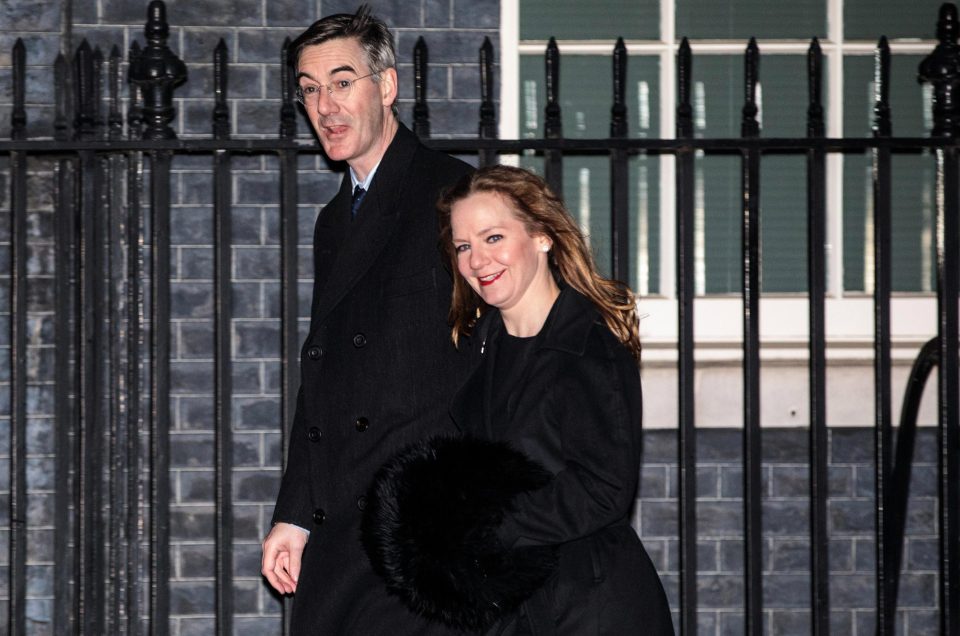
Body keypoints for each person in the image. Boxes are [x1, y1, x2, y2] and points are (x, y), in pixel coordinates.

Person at [260, 5, 473, 633]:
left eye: (342, 82)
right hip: (341, 523)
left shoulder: (452, 193)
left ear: (386, 86)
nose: (324, 106)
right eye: (309, 90)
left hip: (416, 531)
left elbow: (502, 348)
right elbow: (325, 373)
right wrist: (295, 514)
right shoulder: (335, 220)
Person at [429, 165, 673, 634]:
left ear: (542, 237)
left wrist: (484, 529)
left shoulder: (587, 345)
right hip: (516, 604)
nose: (478, 260)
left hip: (588, 607)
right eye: (464, 246)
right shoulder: (483, 347)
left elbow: (603, 489)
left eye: (493, 237)